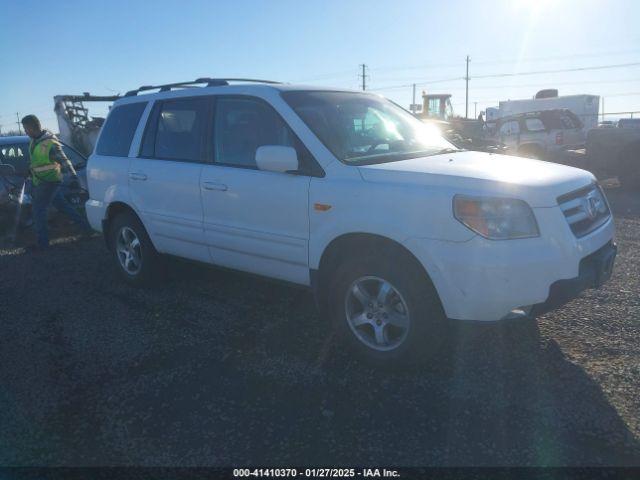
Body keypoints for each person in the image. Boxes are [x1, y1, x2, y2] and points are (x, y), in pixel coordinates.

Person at [20, 114, 92, 251]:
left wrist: (74, 178)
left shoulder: (50, 143)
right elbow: (37, 161)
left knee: (38, 210)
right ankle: (87, 228)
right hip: (42, 181)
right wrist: (30, 170)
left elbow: (64, 160)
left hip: (49, 182)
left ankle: (43, 244)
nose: (25, 131)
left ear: (31, 127)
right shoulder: (34, 141)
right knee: (63, 206)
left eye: (25, 128)